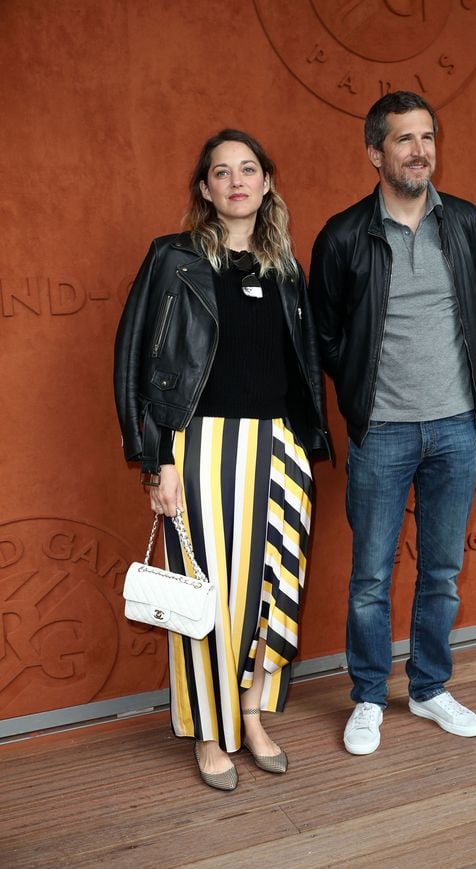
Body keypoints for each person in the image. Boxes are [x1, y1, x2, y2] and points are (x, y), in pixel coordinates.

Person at [114, 129, 330, 790]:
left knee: (271, 591)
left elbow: (303, 365)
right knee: (209, 597)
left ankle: (252, 715)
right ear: (205, 189)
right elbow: (137, 363)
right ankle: (210, 732)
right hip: (200, 447)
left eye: (248, 169)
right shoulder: (173, 259)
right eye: (220, 172)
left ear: (266, 181)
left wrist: (305, 439)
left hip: (280, 448)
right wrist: (158, 460)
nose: (236, 181)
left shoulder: (285, 265)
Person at [309, 91, 476, 755]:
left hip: (452, 430)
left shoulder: (466, 224)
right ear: (374, 153)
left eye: (427, 137)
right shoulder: (343, 236)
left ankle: (428, 686)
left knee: (442, 571)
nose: (420, 151)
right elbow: (324, 335)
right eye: (404, 139)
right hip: (381, 432)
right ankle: (365, 694)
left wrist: (465, 401)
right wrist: (365, 399)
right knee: (371, 579)